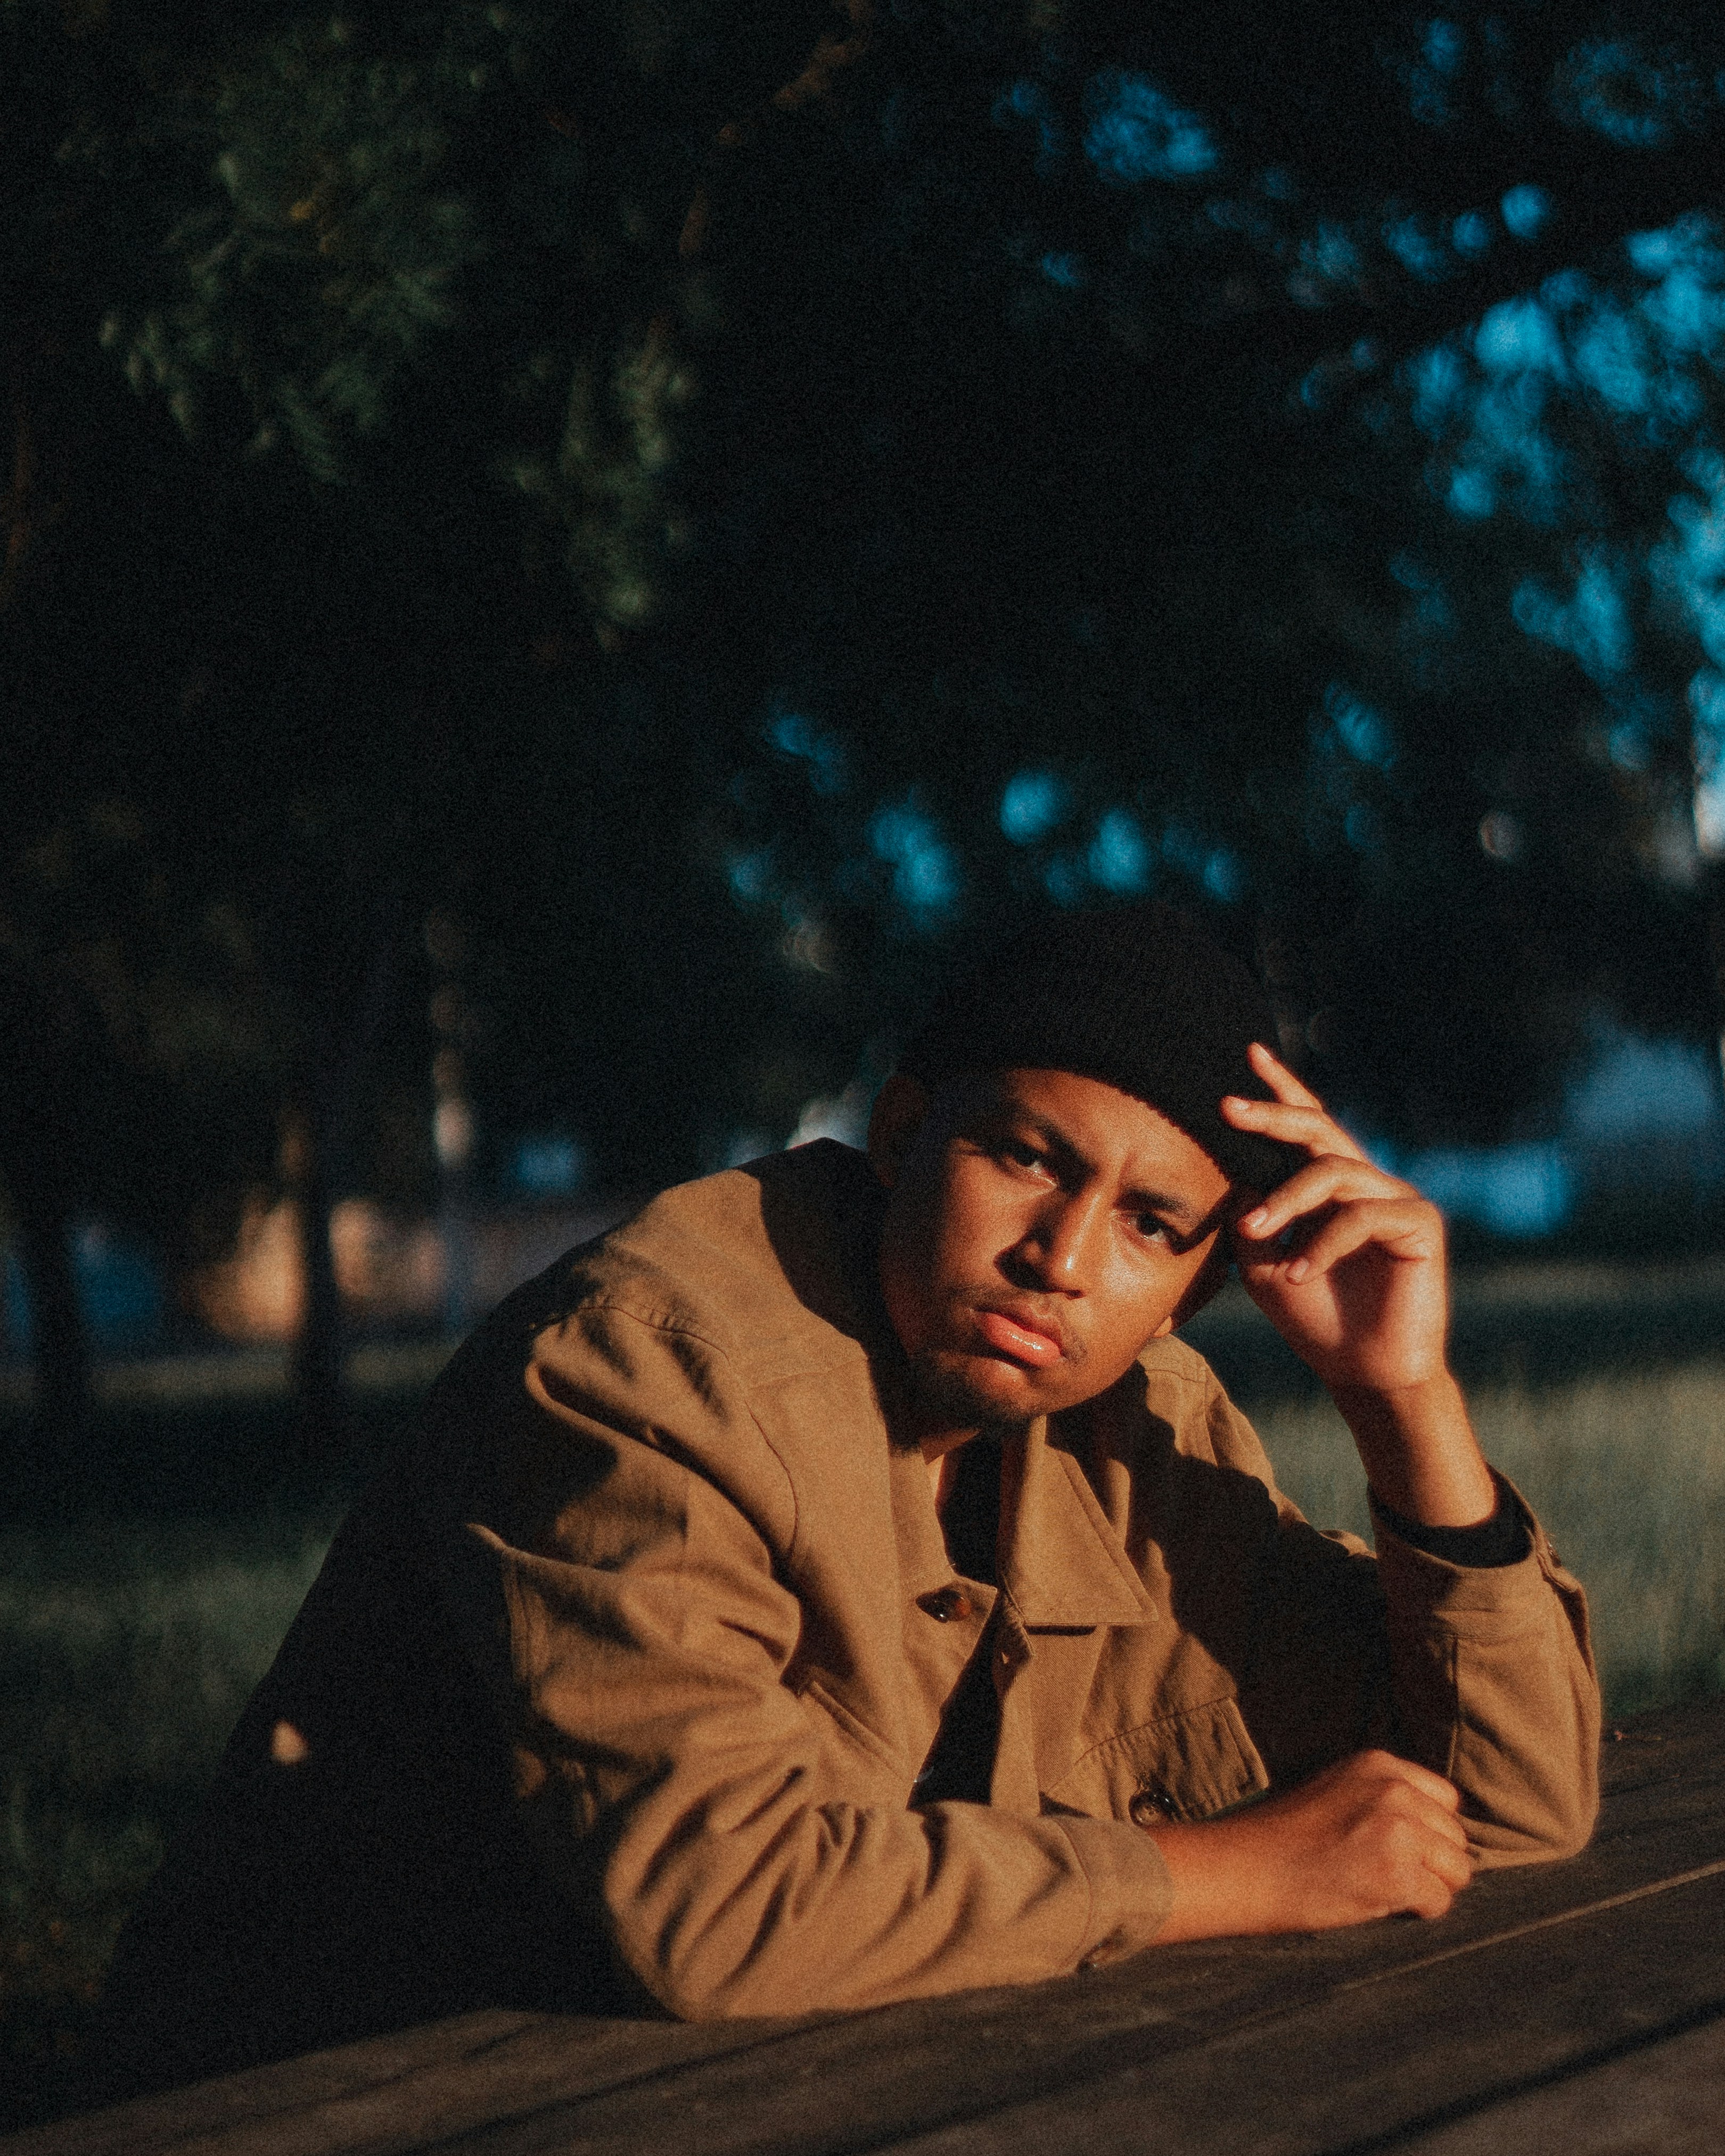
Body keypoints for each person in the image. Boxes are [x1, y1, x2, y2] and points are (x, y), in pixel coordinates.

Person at [96, 905, 1598, 2096]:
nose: (1065, 1257)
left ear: (1199, 1285)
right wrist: (1227, 1872)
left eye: (1151, 1226)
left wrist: (1406, 1406)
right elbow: (721, 1906)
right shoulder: (645, 1370)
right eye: (1027, 1156)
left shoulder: (1137, 1432)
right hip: (337, 2094)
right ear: (901, 1135)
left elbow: (1514, 1808)